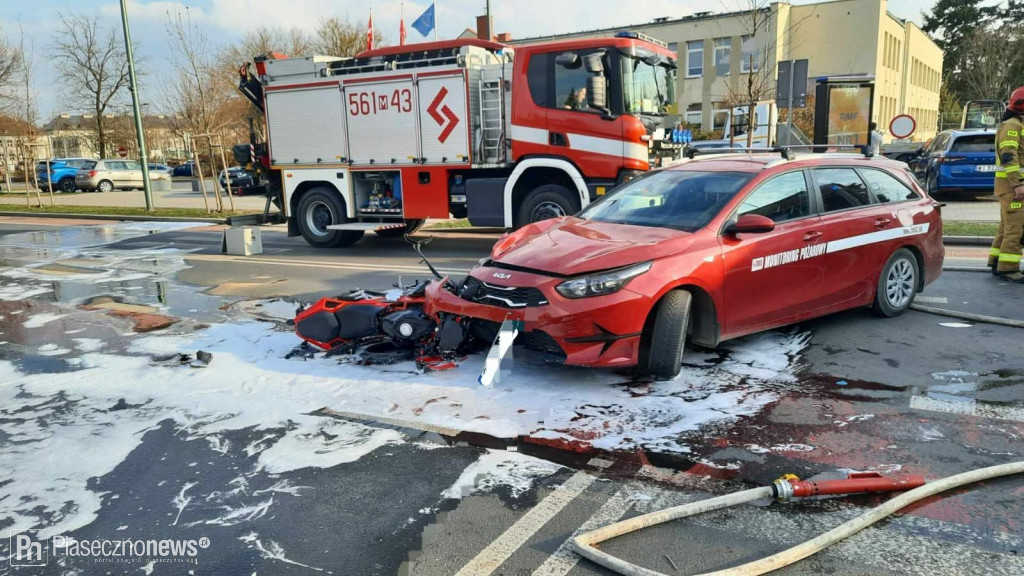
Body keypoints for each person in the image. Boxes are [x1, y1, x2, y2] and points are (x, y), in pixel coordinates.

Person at [990, 86, 1024, 282]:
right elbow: (1009, 156)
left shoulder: (1015, 124)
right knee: (1016, 228)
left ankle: (997, 263)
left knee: (1006, 227)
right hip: (1013, 188)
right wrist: (1018, 185)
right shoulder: (1012, 126)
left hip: (1009, 187)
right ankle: (1009, 268)